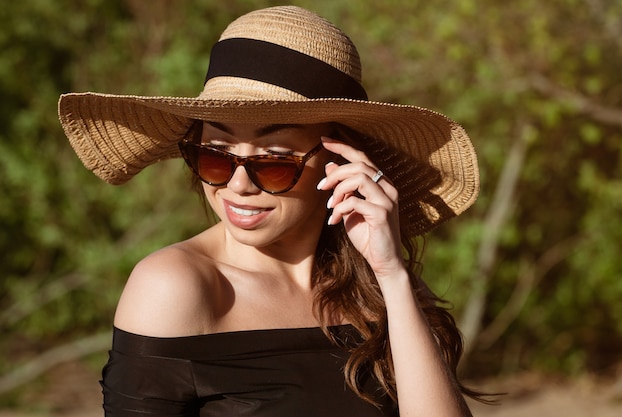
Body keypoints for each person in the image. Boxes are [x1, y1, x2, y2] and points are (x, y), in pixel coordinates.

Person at [58, 5, 483, 417]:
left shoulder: (380, 286)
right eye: (216, 156)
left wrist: (392, 275)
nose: (237, 185)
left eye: (274, 161)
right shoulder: (175, 287)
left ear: (340, 164)